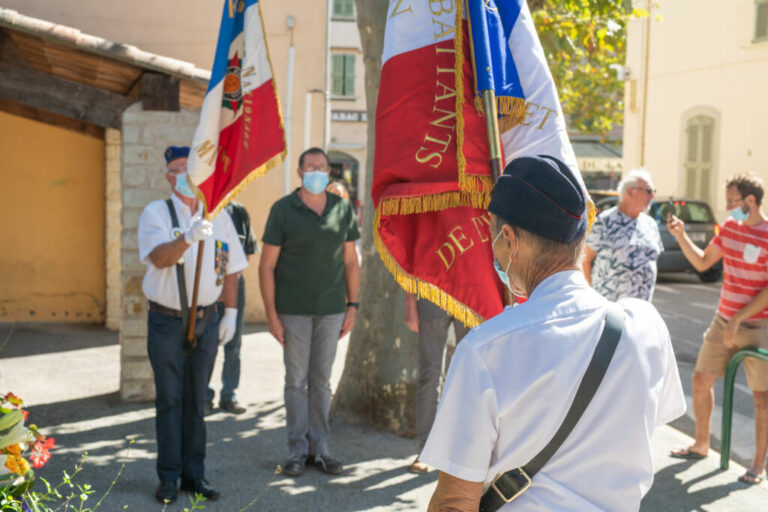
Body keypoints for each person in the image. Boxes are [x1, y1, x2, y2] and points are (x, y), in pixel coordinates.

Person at [420, 155, 685, 511]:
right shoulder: (646, 326)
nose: (493, 250)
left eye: (493, 236)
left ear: (510, 239)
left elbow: (454, 502)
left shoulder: (487, 349)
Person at [138, 145, 248, 504]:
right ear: (168, 176)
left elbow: (230, 267)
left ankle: (194, 475)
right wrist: (186, 239)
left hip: (206, 319)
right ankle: (168, 478)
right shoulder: (157, 213)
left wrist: (230, 313)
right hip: (167, 321)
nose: (185, 174)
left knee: (197, 401)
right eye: (178, 168)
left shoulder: (221, 215)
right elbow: (158, 257)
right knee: (170, 401)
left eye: (190, 168)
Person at [258, 147, 361, 477]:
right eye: (310, 166)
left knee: (321, 382)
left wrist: (353, 307)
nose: (317, 171)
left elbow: (350, 262)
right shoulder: (282, 210)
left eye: (322, 166)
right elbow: (266, 265)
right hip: (293, 312)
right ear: (300, 172)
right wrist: (272, 315)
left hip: (331, 311)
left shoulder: (342, 210)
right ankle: (297, 450)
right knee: (296, 381)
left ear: (329, 172)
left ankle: (321, 448)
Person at [668, 172, 768, 485]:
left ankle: (757, 465)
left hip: (757, 325)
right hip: (722, 321)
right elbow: (702, 263)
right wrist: (681, 236)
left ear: (750, 201)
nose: (727, 207)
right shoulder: (729, 230)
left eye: (732, 201)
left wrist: (739, 319)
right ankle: (701, 444)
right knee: (700, 380)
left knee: (762, 399)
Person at [403, 293, 470, 474]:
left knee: (470, 376)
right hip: (434, 293)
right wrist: (410, 304)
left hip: (470, 294)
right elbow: (414, 264)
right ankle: (426, 451)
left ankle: (464, 453)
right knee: (430, 375)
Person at [206, 200, 257, 415]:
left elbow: (245, 252)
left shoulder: (238, 211)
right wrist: (218, 278)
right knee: (206, 344)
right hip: (207, 284)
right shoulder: (204, 207)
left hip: (234, 282)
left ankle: (229, 395)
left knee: (233, 344)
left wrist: (227, 276)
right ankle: (204, 396)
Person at [584, 169, 663, 301]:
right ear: (630, 191)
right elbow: (584, 260)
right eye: (649, 191)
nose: (652, 196)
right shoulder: (605, 221)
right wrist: (592, 299)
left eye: (653, 192)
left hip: (641, 311)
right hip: (610, 310)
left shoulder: (650, 224)